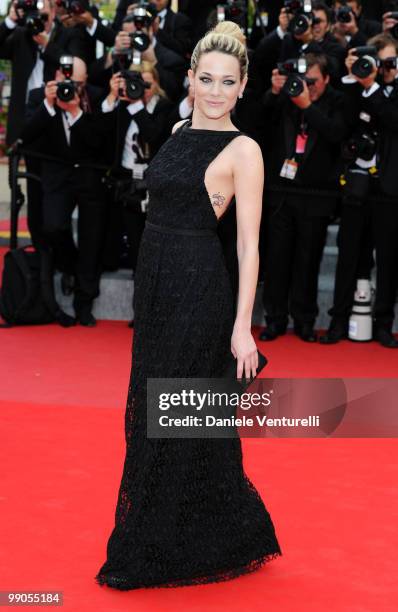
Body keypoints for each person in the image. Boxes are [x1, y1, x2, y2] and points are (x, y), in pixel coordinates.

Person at [95, 20, 282, 590]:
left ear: (244, 85)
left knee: (173, 415)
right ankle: (200, 530)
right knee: (155, 412)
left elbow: (249, 246)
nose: (217, 90)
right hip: (155, 287)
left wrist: (242, 328)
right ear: (192, 81)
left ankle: (166, 543)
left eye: (229, 81)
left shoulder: (244, 150)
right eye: (207, 79)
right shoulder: (176, 128)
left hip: (199, 287)